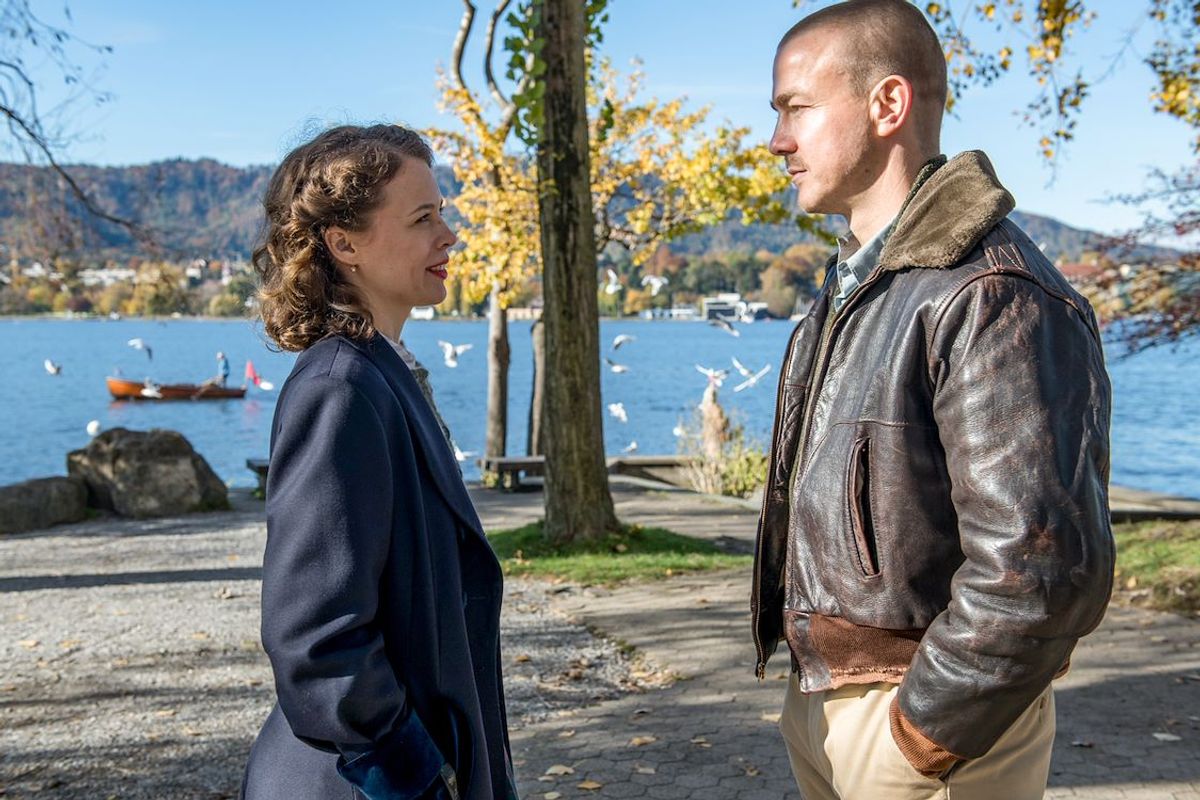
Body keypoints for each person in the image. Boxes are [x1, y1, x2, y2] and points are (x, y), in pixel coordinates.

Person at [751, 2, 1114, 798]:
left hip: (922, 722)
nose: (777, 140)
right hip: (829, 702)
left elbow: (1042, 565)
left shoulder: (989, 291)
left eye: (795, 108)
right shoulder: (864, 284)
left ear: (888, 104)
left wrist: (918, 737)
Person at [241, 124, 517, 800]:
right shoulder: (341, 388)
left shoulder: (381, 374)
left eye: (441, 215)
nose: (449, 237)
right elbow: (315, 638)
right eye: (423, 219)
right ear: (344, 244)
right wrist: (417, 778)